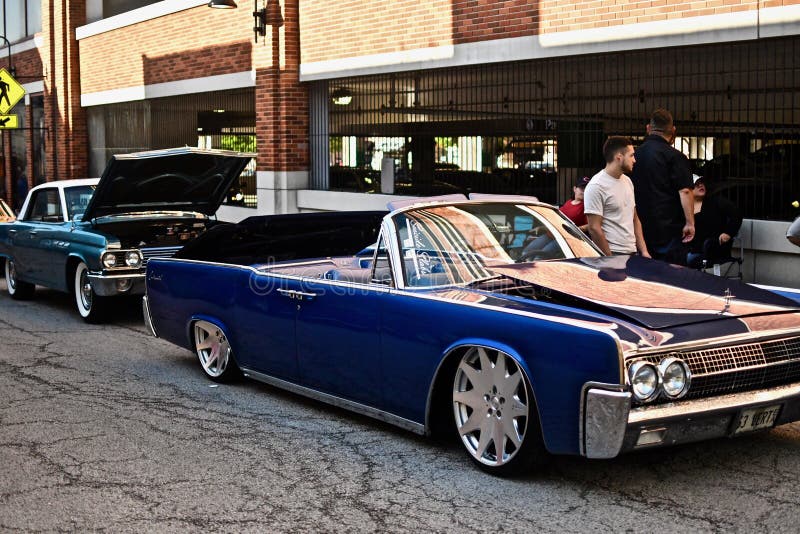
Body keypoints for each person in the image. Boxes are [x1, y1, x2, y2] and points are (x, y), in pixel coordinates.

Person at [630, 109, 695, 263]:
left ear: (648, 128)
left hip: (638, 228)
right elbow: (685, 191)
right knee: (670, 278)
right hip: (668, 230)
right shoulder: (676, 157)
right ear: (673, 131)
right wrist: (690, 223)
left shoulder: (634, 156)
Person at [584, 136, 650, 257]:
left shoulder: (628, 181)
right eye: (631, 155)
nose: (634, 160)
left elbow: (634, 218)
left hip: (632, 252)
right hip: (612, 253)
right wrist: (609, 258)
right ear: (619, 157)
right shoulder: (596, 186)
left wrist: (644, 251)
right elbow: (594, 228)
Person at [686, 175, 742, 267]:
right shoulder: (684, 207)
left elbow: (736, 214)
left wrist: (728, 233)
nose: (701, 185)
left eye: (702, 183)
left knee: (684, 260)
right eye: (696, 184)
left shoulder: (716, 202)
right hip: (688, 249)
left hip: (711, 249)